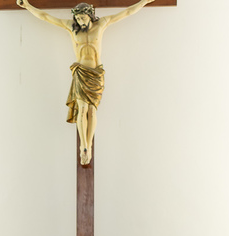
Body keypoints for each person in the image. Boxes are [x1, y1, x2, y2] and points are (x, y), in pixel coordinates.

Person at [16, 0, 158, 165]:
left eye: (83, 18)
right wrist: (27, 5)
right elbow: (46, 16)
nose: (80, 22)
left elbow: (126, 12)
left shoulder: (102, 24)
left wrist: (144, 1)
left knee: (92, 111)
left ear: (90, 15)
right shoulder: (71, 27)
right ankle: (83, 145)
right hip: (81, 72)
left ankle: (89, 143)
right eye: (78, 19)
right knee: (82, 109)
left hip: (96, 74)